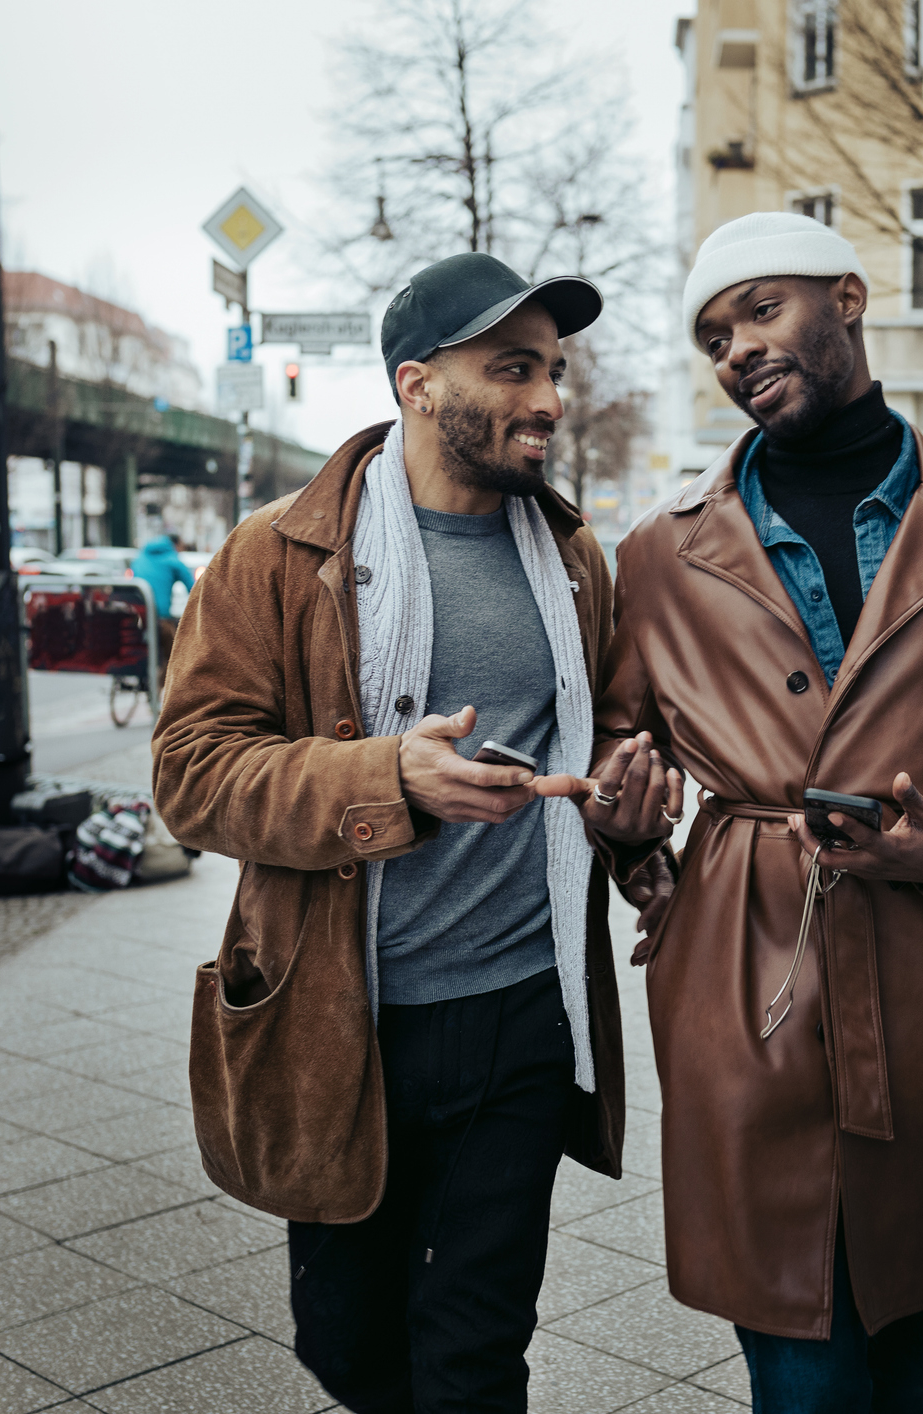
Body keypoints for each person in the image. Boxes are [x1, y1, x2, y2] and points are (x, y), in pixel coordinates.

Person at [592, 211, 923, 1412]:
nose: (735, 350)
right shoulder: (661, 556)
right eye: (713, 337)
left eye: (760, 311)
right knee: (799, 1345)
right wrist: (630, 823)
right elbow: (624, 744)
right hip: (744, 971)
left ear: (849, 296)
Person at [151, 251, 682, 1413]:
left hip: (522, 1020)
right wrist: (391, 776)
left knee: (474, 1358)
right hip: (344, 1021)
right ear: (417, 383)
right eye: (510, 368)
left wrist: (635, 826)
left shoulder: (573, 560)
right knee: (348, 1349)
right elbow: (191, 776)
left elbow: (597, 762)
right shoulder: (276, 555)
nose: (546, 398)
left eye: (551, 369)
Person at [129, 533, 194, 680]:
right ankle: (160, 688)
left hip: (137, 616)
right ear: (176, 545)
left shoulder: (141, 557)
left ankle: (145, 680)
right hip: (160, 616)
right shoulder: (172, 559)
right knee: (175, 653)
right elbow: (193, 588)